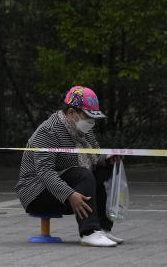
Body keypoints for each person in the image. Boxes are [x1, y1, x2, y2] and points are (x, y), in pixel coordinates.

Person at [16, 86, 123, 247]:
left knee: (105, 169)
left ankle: (103, 229)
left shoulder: (84, 130)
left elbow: (94, 157)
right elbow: (45, 172)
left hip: (68, 182)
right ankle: (89, 232)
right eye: (88, 117)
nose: (91, 122)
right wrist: (70, 195)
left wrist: (106, 160)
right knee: (83, 174)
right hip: (36, 192)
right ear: (72, 113)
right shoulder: (48, 131)